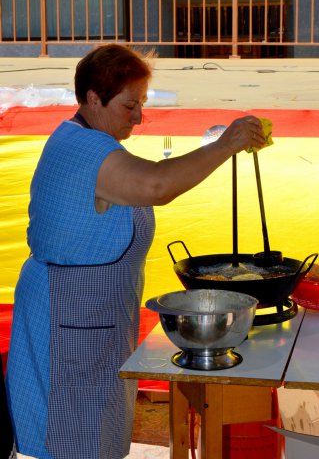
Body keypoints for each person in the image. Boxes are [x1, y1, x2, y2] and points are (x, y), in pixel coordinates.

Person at [5, 43, 265, 459]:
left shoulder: (87, 139)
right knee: (74, 441)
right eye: (130, 105)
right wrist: (225, 145)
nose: (139, 117)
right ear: (93, 98)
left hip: (90, 317)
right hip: (70, 319)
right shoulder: (82, 150)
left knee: (95, 435)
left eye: (141, 104)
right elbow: (154, 185)